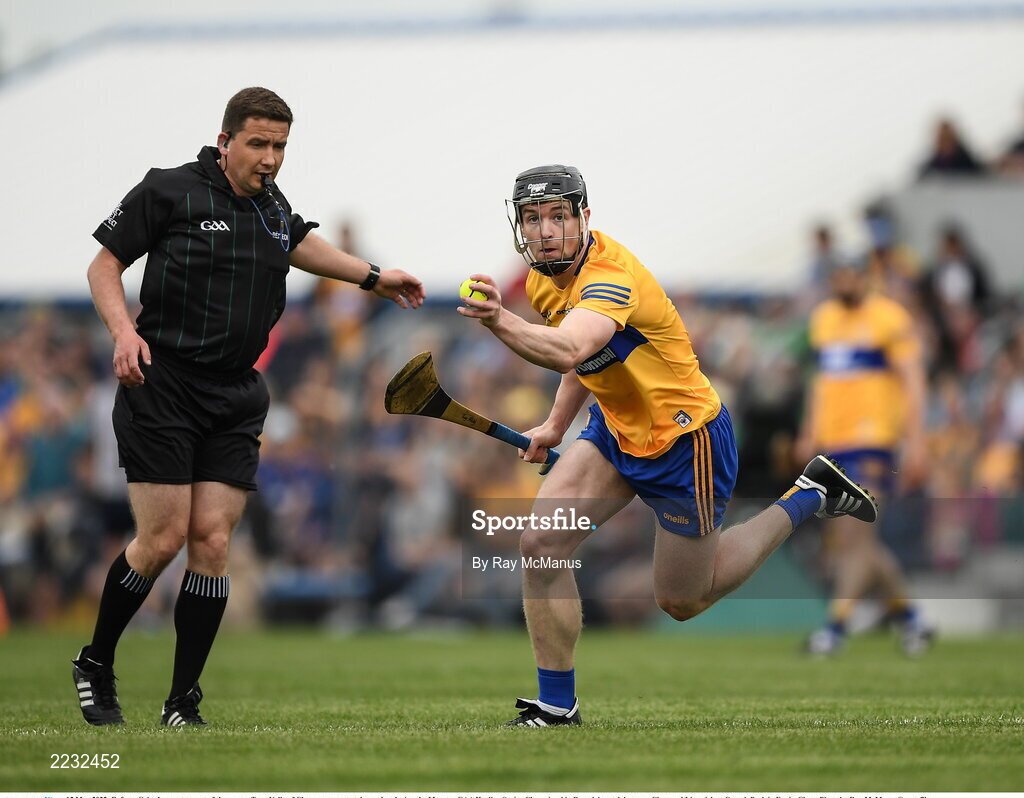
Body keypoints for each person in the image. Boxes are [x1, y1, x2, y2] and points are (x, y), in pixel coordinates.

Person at [458, 165, 878, 727]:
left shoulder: (611, 274)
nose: (545, 230)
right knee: (539, 543)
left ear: (583, 217)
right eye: (533, 219)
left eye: (558, 215)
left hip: (687, 441)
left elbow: (567, 348)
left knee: (683, 600)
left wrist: (498, 321)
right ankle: (557, 706)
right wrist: (556, 425)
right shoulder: (540, 280)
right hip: (615, 430)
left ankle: (808, 494)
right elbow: (584, 362)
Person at [73, 87, 424, 727]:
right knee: (162, 538)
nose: (270, 158)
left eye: (281, 146)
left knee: (212, 540)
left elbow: (298, 242)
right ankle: (96, 661)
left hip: (236, 393)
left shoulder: (270, 204)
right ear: (225, 140)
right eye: (259, 144)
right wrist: (124, 332)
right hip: (164, 381)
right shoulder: (169, 190)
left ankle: (182, 702)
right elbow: (104, 266)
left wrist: (374, 277)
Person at [795, 256, 933, 657]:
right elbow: (821, 382)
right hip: (835, 444)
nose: (842, 283)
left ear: (865, 277)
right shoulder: (824, 319)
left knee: (856, 536)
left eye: (848, 275)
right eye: (836, 276)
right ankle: (910, 619)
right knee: (855, 541)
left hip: (875, 440)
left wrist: (917, 440)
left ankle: (835, 629)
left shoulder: (889, 318)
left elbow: (913, 381)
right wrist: (809, 432)